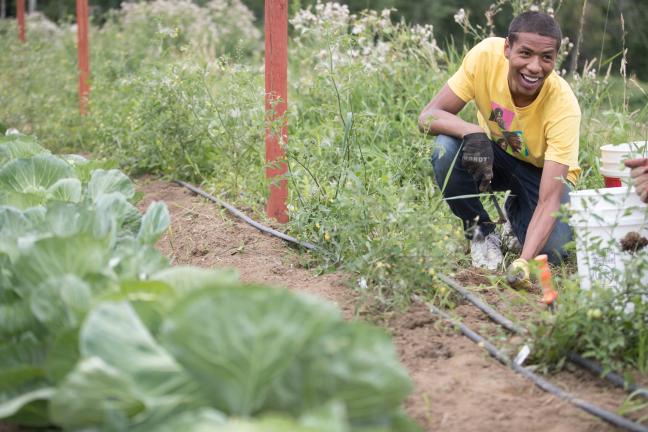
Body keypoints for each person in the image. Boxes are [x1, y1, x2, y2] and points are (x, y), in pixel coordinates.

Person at [418, 11, 580, 288]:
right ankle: (481, 233)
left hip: (542, 175)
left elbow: (550, 198)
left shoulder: (563, 105)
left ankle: (515, 215)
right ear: (507, 48)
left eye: (546, 58)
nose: (534, 67)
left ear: (555, 58)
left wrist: (523, 262)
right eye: (525, 53)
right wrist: (473, 132)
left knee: (551, 251)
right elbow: (428, 116)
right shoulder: (485, 57)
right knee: (446, 148)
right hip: (495, 154)